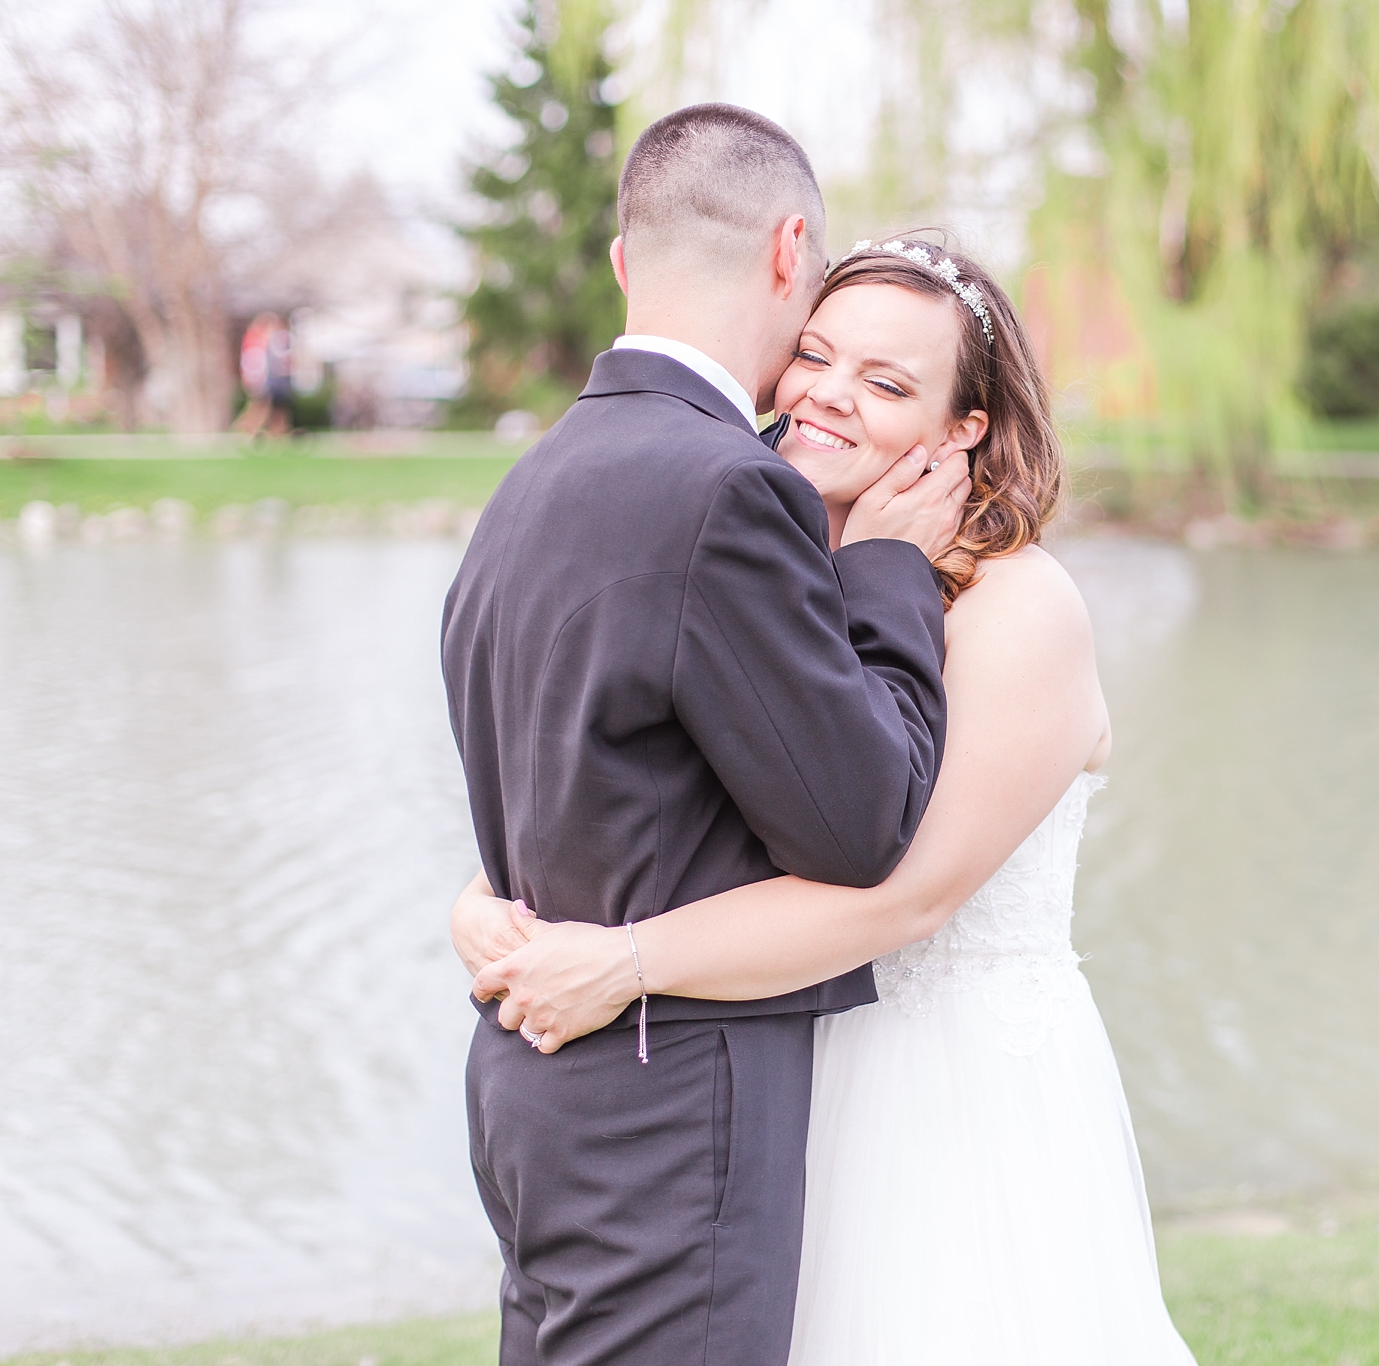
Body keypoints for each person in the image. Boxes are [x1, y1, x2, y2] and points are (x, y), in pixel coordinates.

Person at [457, 236, 1198, 1363]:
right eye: (814, 355)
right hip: (776, 1077)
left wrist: (622, 961)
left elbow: (902, 897)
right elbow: (654, 785)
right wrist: (480, 901)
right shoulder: (777, 562)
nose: (827, 397)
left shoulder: (1018, 609)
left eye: (887, 383)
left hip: (947, 1100)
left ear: (965, 430)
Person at [440, 105, 970, 1366]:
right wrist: (889, 572)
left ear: (627, 263)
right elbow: (859, 827)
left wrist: (468, 896)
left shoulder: (535, 479)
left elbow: (565, 779)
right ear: (792, 251)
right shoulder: (728, 487)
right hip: (662, 1107)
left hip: (534, 1091)